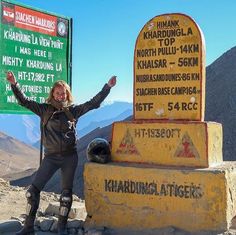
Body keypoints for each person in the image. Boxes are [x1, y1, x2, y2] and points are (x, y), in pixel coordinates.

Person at [6, 71, 116, 235]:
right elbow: (24, 101)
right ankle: (28, 227)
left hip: (69, 157)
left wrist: (107, 87)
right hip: (50, 157)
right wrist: (14, 84)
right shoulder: (44, 110)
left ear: (67, 94)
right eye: (57, 93)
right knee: (32, 192)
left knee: (65, 195)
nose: (60, 95)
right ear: (53, 94)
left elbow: (93, 103)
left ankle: (61, 228)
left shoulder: (73, 111)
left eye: (63, 92)